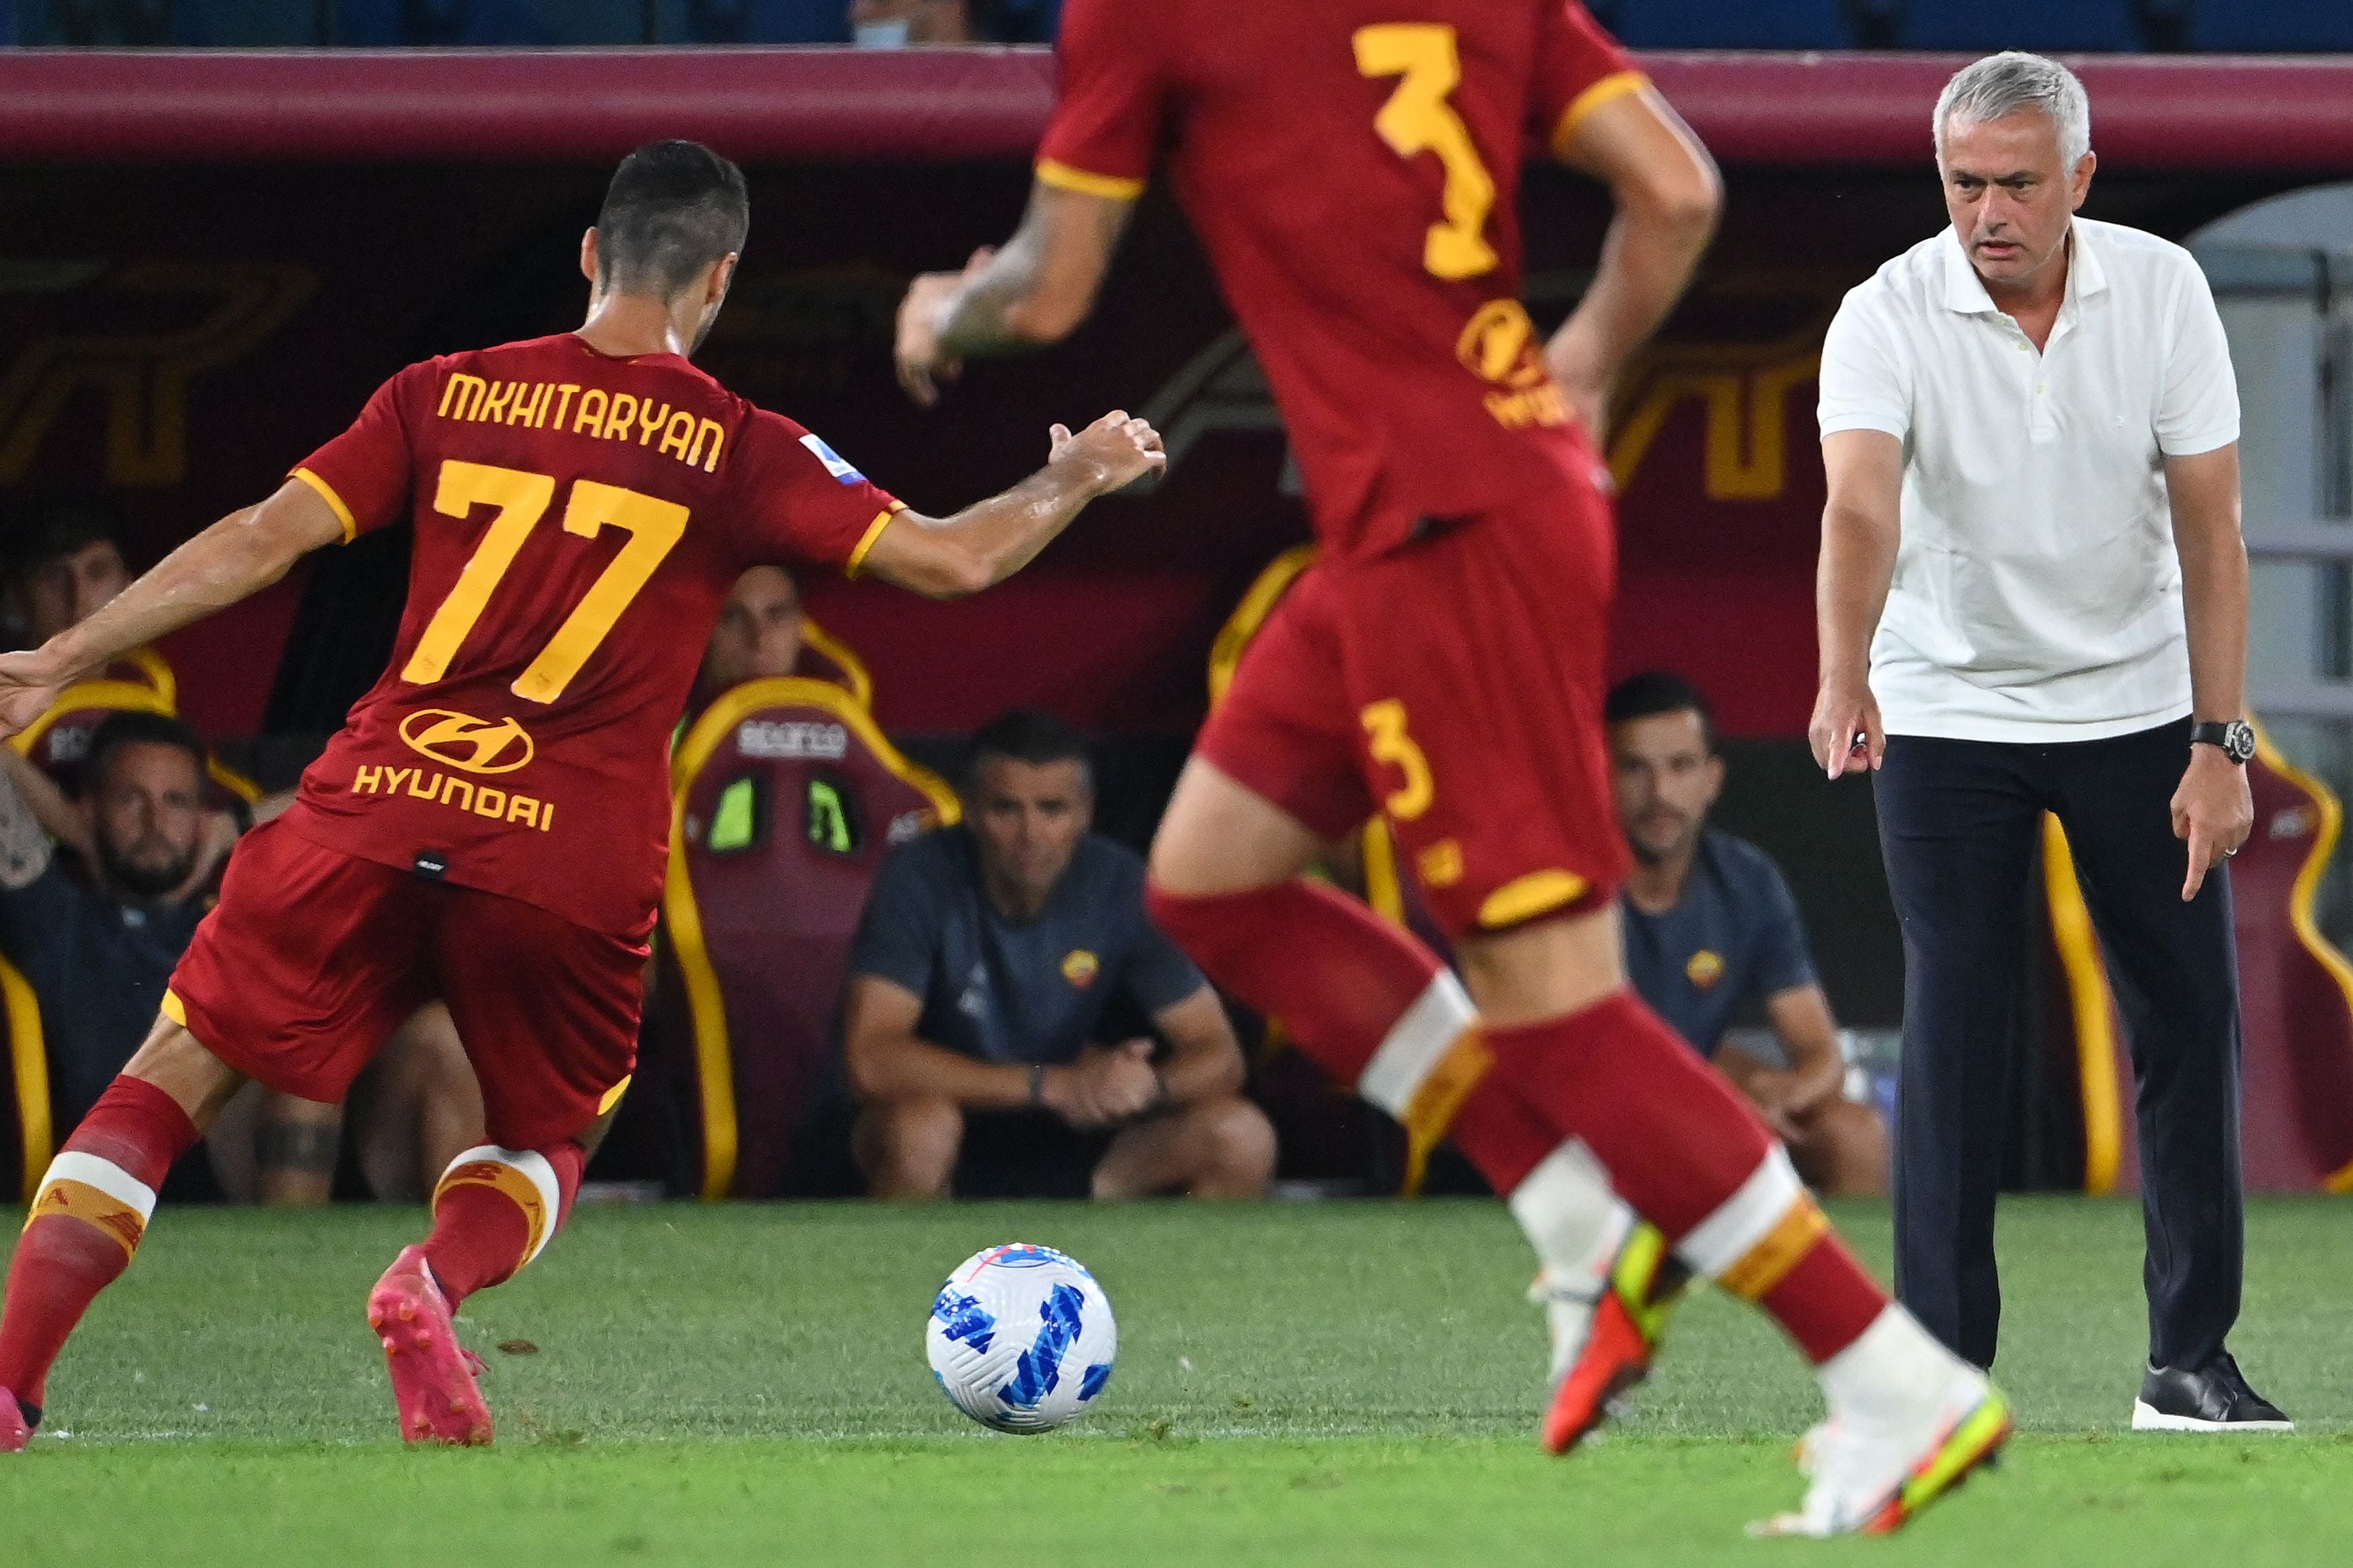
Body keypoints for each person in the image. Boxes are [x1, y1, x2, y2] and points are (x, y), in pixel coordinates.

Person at [894, 1, 2005, 1535]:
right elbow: (1676, 190)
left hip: (1447, 537)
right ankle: (1574, 1219)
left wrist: (943, 310)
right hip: (1438, 509)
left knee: (1564, 1010)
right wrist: (1586, 362)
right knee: (1210, 883)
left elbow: (1051, 286)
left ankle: (1892, 1380)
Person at [0, 138, 1164, 1452]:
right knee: (556, 1126)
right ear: (718, 279)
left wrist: (61, 657)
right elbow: (954, 560)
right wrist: (1074, 474)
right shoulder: (738, 441)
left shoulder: (443, 392)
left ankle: (10, 1384)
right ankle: (430, 1277)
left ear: (590, 256)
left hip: (372, 800)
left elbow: (267, 534)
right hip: (569, 849)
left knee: (172, 1071)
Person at [1810, 53, 2284, 1430]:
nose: (1987, 210)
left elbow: (2212, 530)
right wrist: (1844, 671)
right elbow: (1855, 510)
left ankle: (2187, 1364)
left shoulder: (2162, 292)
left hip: (2137, 707)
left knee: (2190, 1018)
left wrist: (2223, 743)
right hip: (1948, 707)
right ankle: (1933, 1378)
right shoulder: (1883, 313)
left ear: (2080, 177)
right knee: (1955, 1031)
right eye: (1963, 181)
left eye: (2017, 182)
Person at [0, 716, 481, 1205]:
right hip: (171, 1148)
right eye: (131, 799)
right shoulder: (61, 918)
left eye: (177, 801)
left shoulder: (239, 908)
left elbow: (396, 790)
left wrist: (236, 824)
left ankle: (466, 1259)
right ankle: (288, 1266)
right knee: (300, 1050)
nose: (155, 822)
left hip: (315, 1133)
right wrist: (68, 825)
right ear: (87, 811)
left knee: (438, 1034)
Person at [843, 709, 1274, 1200]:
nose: (1030, 834)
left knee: (1241, 1138)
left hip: (1082, 1140)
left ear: (1085, 812)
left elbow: (1221, 1057)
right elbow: (872, 1059)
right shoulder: (918, 878)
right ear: (970, 809)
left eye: (1052, 810)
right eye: (1007, 809)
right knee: (920, 1130)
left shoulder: (1120, 883)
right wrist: (1049, 1085)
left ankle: (1171, 1279)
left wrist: (1146, 1086)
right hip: (950, 1129)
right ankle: (903, 1276)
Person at [1605, 672, 1888, 1198]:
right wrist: (1719, 1105)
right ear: (1599, 775)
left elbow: (1821, 1053)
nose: (1660, 793)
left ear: (1712, 778)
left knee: (1856, 1135)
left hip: (1698, 1088)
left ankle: (1855, 1281)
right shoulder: (1570, 883)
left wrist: (1780, 1096)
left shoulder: (1747, 882)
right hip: (1592, 1109)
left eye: (1681, 766)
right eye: (1634, 769)